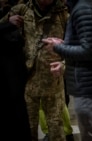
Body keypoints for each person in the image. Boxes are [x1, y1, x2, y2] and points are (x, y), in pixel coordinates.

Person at [41, 0, 92, 140]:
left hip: (88, 86)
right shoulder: (86, 6)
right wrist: (63, 47)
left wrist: (58, 48)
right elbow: (88, 44)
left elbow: (90, 50)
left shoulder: (83, 9)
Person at [0, 0, 69, 140]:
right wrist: (7, 20)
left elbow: (74, 44)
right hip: (27, 80)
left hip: (53, 80)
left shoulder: (63, 13)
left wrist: (64, 64)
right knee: (28, 127)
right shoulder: (22, 10)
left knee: (56, 128)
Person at [0, 0, 31, 140]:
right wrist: (7, 23)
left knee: (20, 107)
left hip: (17, 66)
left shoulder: (19, 6)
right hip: (6, 68)